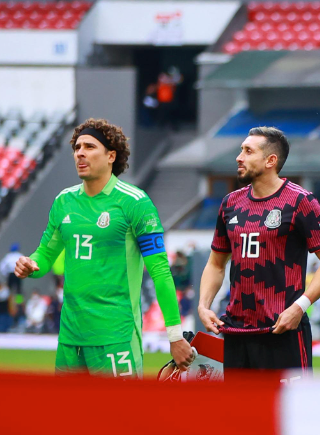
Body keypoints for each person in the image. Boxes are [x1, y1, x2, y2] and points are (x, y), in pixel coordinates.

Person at [13, 119, 193, 374]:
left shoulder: (135, 203)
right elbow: (45, 255)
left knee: (119, 405)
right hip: (70, 339)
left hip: (116, 337)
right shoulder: (64, 201)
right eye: (77, 147)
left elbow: (161, 271)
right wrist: (31, 264)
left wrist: (175, 336)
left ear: (111, 156)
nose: (80, 153)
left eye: (89, 146)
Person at [197, 126, 320, 374]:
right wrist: (203, 305)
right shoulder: (230, 203)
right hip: (236, 333)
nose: (239, 157)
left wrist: (299, 307)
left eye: (248, 151)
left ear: (270, 161)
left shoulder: (301, 202)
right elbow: (216, 263)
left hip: (283, 330)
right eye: (241, 150)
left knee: (289, 402)